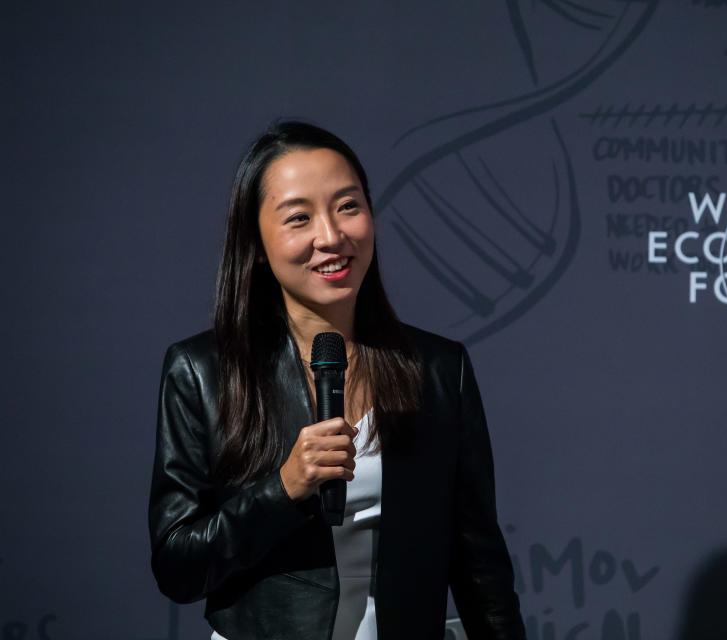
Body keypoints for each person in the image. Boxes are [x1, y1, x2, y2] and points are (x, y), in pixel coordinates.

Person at [148, 121, 525, 639]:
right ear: (256, 243)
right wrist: (283, 489)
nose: (331, 236)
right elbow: (178, 566)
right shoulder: (203, 370)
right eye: (299, 218)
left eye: (348, 206)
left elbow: (479, 561)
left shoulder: (438, 369)